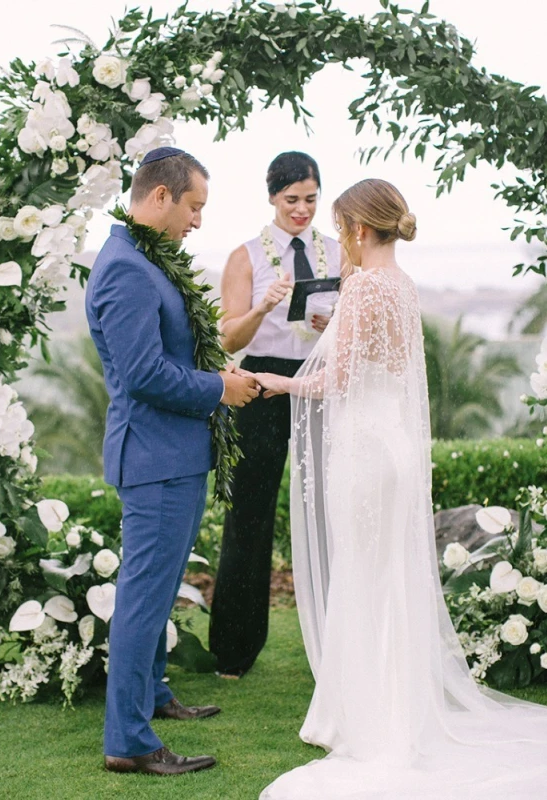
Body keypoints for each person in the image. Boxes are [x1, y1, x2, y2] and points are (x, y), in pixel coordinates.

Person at [256, 179, 547, 799]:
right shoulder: (403, 287)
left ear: (360, 230)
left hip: (363, 450)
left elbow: (338, 380)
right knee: (388, 573)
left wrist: (277, 384)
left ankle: (366, 718)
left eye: (340, 230)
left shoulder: (363, 288)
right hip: (392, 446)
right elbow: (384, 366)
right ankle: (391, 707)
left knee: (365, 572)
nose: (340, 242)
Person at [85, 147, 259, 777]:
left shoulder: (143, 258)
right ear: (160, 197)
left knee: (156, 591)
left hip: (175, 452)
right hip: (155, 456)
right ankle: (128, 740)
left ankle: (153, 695)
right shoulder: (127, 269)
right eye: (194, 207)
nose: (197, 221)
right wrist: (220, 389)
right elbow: (142, 375)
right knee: (142, 596)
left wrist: (215, 373)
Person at [209, 151, 342, 678]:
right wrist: (263, 307)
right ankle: (234, 650)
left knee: (328, 509)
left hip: (318, 380)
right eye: (292, 200)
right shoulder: (245, 257)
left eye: (311, 199)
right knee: (249, 512)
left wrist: (328, 319)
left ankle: (336, 643)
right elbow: (228, 337)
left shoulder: (337, 252)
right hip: (261, 381)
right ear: (272, 197)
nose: (302, 210)